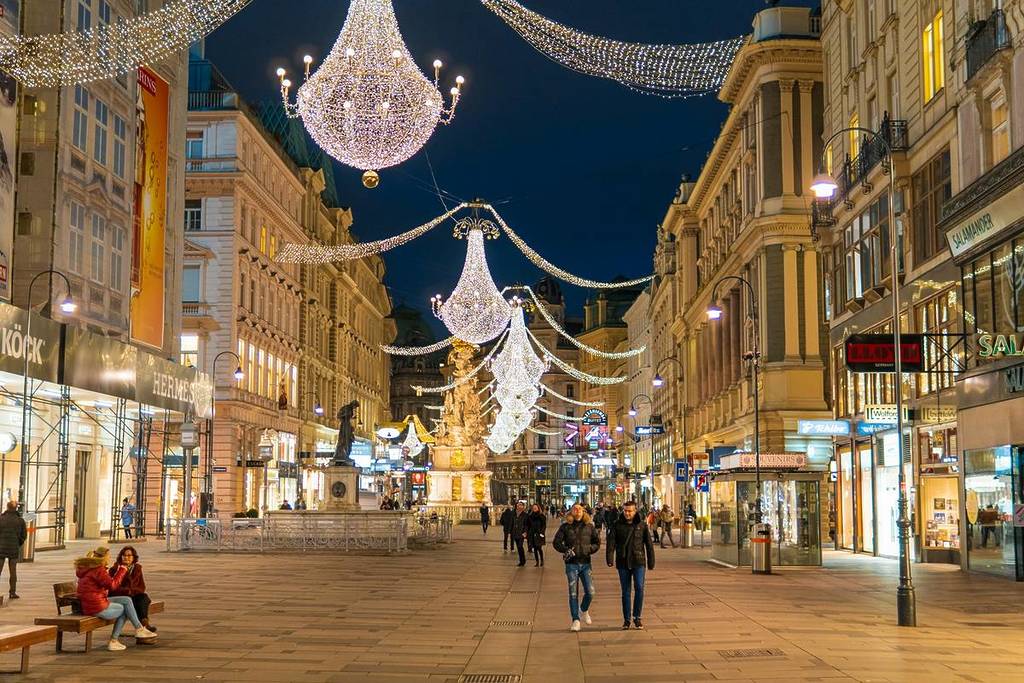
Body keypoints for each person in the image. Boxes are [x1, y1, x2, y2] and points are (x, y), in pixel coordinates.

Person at [75, 547, 157, 651]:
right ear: (104, 557)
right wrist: (122, 570)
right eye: (108, 556)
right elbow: (113, 585)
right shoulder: (98, 570)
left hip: (92, 602)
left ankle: (139, 629)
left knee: (126, 600)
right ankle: (114, 640)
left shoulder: (89, 568)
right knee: (124, 610)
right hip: (96, 606)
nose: (109, 559)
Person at [606, 500, 656, 630]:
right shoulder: (617, 525)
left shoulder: (642, 525)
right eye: (625, 511)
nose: (627, 513)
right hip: (622, 561)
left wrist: (651, 561)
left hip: (638, 561)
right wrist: (609, 558)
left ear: (635, 511)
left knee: (639, 587)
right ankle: (627, 619)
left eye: (630, 511)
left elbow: (649, 545)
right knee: (626, 591)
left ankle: (637, 617)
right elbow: (611, 543)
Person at [553, 503, 600, 632]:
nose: (577, 511)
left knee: (590, 592)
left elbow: (597, 542)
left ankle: (583, 610)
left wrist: (589, 549)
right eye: (575, 509)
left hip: (585, 563)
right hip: (571, 564)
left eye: (579, 509)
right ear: (571, 511)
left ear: (583, 511)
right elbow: (556, 542)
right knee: (573, 593)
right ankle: (576, 620)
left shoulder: (589, 527)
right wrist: (566, 550)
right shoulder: (565, 527)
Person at [109, 546, 156, 631]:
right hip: (121, 596)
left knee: (144, 598)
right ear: (121, 557)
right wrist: (127, 591)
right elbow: (113, 588)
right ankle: (142, 628)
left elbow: (142, 586)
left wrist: (133, 591)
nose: (126, 557)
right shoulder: (115, 569)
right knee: (132, 602)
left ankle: (144, 622)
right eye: (124, 555)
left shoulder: (137, 568)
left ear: (133, 557)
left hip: (134, 594)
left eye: (129, 555)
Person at [0, 501, 26, 600]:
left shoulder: (1, 519)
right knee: (13, 571)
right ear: (16, 508)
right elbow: (24, 536)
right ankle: (12, 592)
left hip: (1, 549)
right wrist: (17, 543)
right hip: (14, 549)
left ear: (7, 507)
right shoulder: (20, 521)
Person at [511, 502, 529, 566]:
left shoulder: (525, 515)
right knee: (518, 548)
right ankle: (521, 561)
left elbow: (527, 525)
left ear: (523, 507)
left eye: (521, 505)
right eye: (518, 506)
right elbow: (512, 523)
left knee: (520, 546)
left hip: (521, 533)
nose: (519, 507)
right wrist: (510, 531)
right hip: (515, 533)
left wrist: (525, 532)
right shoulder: (514, 514)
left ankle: (523, 561)